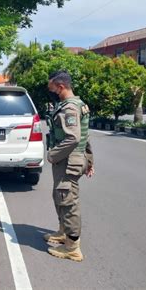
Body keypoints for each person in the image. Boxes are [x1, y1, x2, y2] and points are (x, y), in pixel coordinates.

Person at [45, 70, 94, 261]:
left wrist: (52, 155)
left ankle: (72, 247)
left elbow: (73, 138)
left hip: (68, 161)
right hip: (73, 159)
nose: (52, 91)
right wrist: (90, 160)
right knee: (60, 195)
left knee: (68, 200)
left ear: (61, 86)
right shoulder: (78, 105)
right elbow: (85, 135)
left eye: (53, 88)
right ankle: (63, 232)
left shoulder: (70, 109)